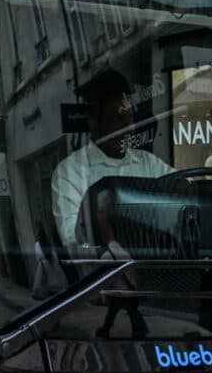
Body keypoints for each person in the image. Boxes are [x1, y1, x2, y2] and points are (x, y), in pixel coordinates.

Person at [51, 69, 171, 249]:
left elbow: (180, 192)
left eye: (129, 118)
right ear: (94, 123)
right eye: (117, 119)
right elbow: (73, 239)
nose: (129, 128)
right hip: (105, 273)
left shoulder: (149, 163)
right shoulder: (70, 172)